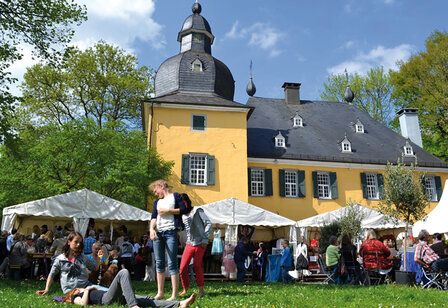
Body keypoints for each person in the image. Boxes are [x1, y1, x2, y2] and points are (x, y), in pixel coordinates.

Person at [64, 269, 197, 308]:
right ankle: (133, 306)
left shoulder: (89, 289)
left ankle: (179, 304)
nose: (80, 288)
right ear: (74, 291)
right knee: (123, 272)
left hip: (115, 297)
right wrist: (86, 290)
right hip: (105, 299)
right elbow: (83, 304)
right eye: (78, 288)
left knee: (147, 301)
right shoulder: (76, 296)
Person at [149, 179, 188, 300]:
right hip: (158, 234)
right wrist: (151, 229)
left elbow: (184, 209)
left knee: (172, 263)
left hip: (171, 232)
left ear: (161, 186)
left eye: (156, 191)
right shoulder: (157, 202)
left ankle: (174, 294)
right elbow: (154, 217)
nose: (155, 194)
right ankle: (160, 293)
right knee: (159, 263)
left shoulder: (175, 197)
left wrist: (168, 211)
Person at [36, 231, 105, 295]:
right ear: (69, 242)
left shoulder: (83, 257)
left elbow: (95, 268)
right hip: (72, 291)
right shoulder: (60, 259)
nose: (78, 244)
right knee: (102, 295)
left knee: (106, 291)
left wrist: (98, 257)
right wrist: (46, 289)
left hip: (87, 286)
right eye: (76, 242)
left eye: (80, 243)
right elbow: (52, 274)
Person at [178, 193, 212, 297]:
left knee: (197, 266)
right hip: (189, 243)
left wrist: (205, 239)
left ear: (186, 201)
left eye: (182, 202)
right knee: (182, 268)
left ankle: (201, 290)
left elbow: (208, 223)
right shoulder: (182, 214)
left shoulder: (197, 210)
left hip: (200, 242)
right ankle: (185, 288)